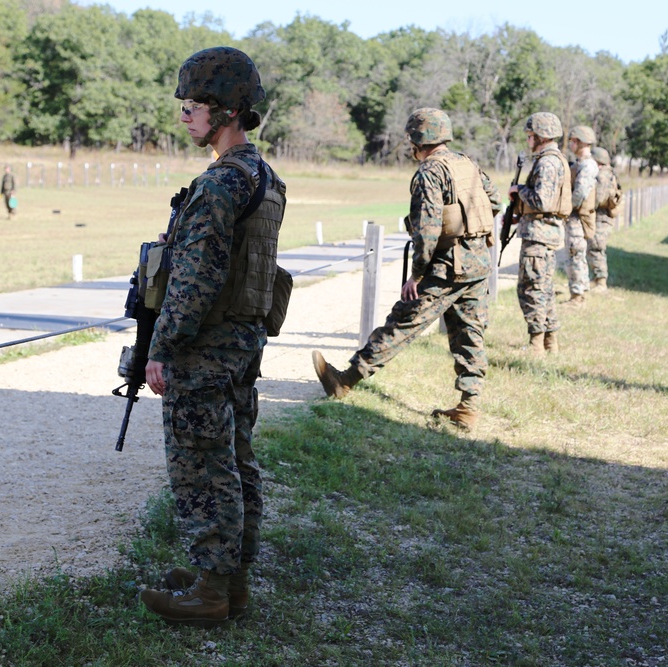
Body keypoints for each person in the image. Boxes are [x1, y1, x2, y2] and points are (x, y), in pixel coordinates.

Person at [136, 46, 286, 628]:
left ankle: (213, 591)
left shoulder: (221, 183)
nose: (184, 115)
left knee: (201, 466)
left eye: (193, 104)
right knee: (236, 460)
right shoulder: (264, 176)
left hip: (207, 345)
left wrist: (163, 346)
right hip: (244, 340)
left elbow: (195, 278)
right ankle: (230, 580)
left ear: (225, 110)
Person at [311, 107, 500, 430]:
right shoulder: (467, 163)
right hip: (478, 263)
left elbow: (426, 230)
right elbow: (493, 202)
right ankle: (469, 406)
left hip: (446, 267)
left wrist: (417, 275)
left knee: (402, 323)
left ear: (416, 139)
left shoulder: (430, 172)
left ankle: (345, 380)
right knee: (471, 334)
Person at [508, 112, 572, 354]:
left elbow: (543, 201)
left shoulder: (546, 162)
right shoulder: (554, 159)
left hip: (538, 235)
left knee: (531, 289)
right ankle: (549, 343)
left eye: (530, 136)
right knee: (543, 288)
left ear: (540, 137)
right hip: (542, 232)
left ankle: (536, 344)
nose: (528, 141)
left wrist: (519, 189)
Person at [563, 125, 598, 307]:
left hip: (577, 217)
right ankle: (580, 291)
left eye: (573, 141)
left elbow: (579, 194)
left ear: (581, 142)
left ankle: (577, 297)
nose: (570, 144)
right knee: (576, 255)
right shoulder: (580, 163)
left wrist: (565, 209)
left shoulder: (587, 165)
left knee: (574, 254)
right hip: (575, 217)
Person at [589, 146, 622, 292]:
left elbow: (599, 198)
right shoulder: (610, 173)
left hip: (601, 217)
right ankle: (596, 279)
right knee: (594, 247)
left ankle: (601, 282)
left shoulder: (602, 175)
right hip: (603, 216)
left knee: (596, 247)